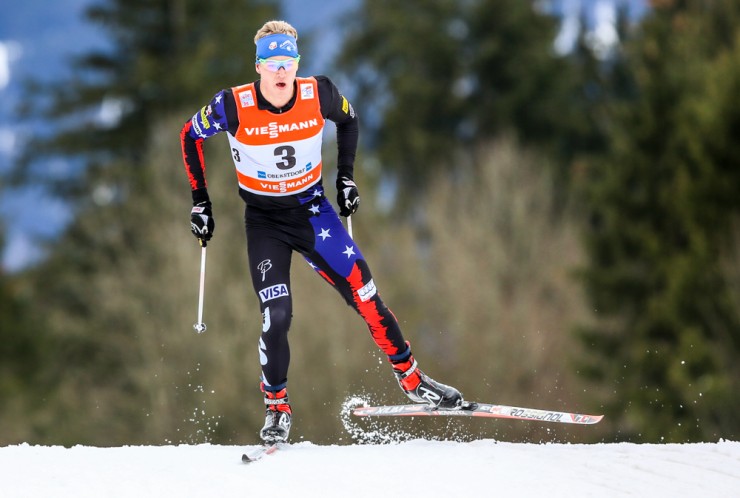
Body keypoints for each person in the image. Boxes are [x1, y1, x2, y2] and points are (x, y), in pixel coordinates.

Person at [180, 20, 462, 444]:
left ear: (297, 65)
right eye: (272, 64)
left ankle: (413, 380)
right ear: (258, 67)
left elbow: (349, 122)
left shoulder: (319, 93)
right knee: (277, 316)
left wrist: (345, 178)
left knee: (365, 293)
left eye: (288, 63)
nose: (281, 73)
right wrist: (201, 200)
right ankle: (277, 409)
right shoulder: (232, 105)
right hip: (265, 222)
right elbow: (189, 135)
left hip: (314, 213)